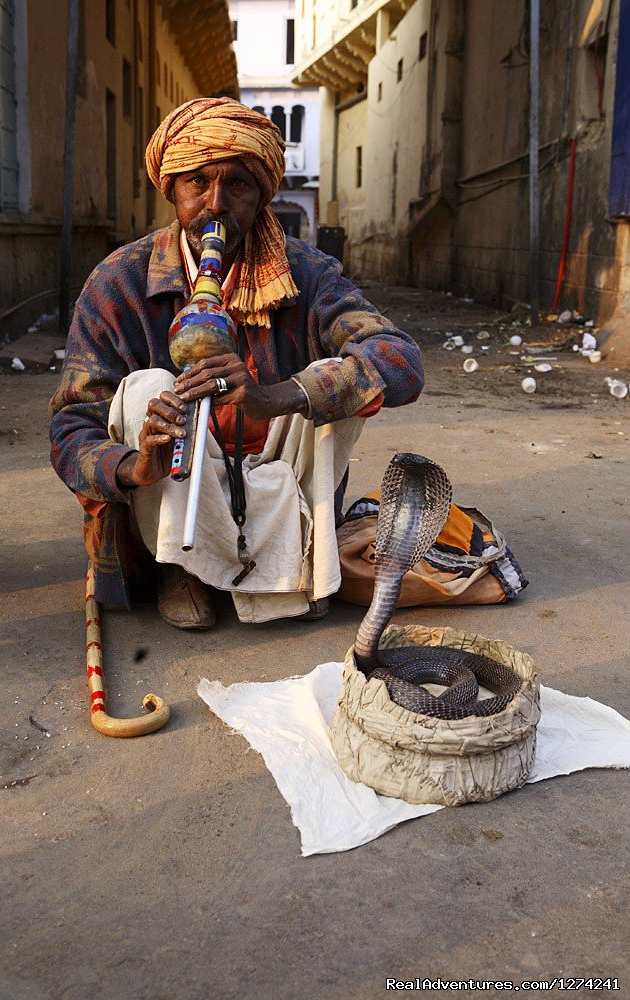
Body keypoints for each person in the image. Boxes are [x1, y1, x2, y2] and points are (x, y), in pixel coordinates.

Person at [49, 98, 424, 630]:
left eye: (238, 186)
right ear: (171, 189)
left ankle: (292, 558)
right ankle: (180, 568)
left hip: (273, 471)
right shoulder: (121, 281)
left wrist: (283, 394)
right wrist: (136, 467)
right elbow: (70, 428)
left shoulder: (307, 273)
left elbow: (400, 359)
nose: (216, 203)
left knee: (335, 390)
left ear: (262, 194)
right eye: (196, 183)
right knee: (148, 388)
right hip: (171, 482)